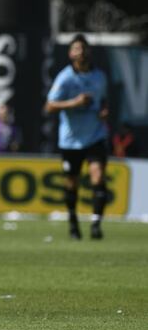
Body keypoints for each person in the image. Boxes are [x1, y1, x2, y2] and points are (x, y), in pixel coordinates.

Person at [44, 34, 110, 240]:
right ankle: (73, 222)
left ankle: (96, 224)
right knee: (71, 183)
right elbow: (49, 106)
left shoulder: (100, 76)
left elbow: (104, 101)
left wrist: (104, 111)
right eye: (76, 49)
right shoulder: (65, 78)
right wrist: (74, 103)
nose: (80, 51)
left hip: (95, 135)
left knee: (97, 176)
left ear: (88, 51)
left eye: (83, 48)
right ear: (71, 54)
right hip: (71, 140)